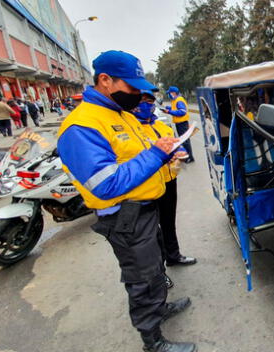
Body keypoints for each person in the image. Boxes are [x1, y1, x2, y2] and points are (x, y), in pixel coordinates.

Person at [56, 50, 196, 352]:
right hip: (125, 217)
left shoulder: (119, 114)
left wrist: (165, 151)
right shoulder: (82, 126)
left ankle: (160, 308)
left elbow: (137, 156)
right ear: (105, 80)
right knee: (142, 278)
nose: (137, 94)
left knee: (155, 267)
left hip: (146, 208)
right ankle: (153, 341)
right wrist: (156, 153)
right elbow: (107, 183)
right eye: (132, 87)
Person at [132, 91, 197, 289]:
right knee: (152, 232)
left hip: (169, 180)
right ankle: (158, 273)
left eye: (150, 101)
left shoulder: (161, 125)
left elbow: (174, 144)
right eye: (142, 101)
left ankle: (173, 255)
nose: (147, 105)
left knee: (168, 222)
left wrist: (181, 153)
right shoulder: (133, 128)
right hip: (148, 184)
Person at [163, 87, 194, 163]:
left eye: (169, 93)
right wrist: (169, 108)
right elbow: (176, 108)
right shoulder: (175, 100)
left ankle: (190, 157)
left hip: (182, 123)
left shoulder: (179, 100)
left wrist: (169, 112)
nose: (169, 95)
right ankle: (187, 156)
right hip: (179, 123)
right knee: (183, 140)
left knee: (185, 140)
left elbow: (182, 111)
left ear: (173, 93)